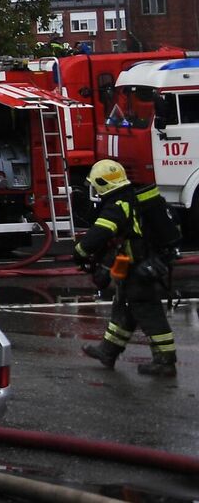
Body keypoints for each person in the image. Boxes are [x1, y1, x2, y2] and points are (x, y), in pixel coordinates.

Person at [76, 159, 181, 376]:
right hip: (134, 266)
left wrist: (80, 252)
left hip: (139, 269)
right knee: (124, 308)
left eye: (96, 185)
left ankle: (165, 361)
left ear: (103, 184)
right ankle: (108, 351)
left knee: (148, 311)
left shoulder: (118, 205)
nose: (94, 190)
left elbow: (99, 233)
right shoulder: (129, 197)